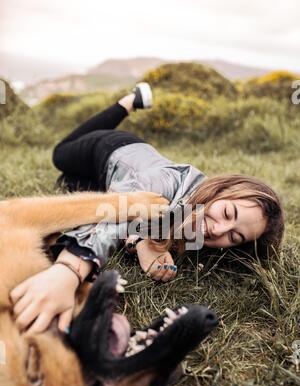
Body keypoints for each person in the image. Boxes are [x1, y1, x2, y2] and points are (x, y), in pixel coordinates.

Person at [10, 83, 285, 334]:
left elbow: (146, 231)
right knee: (61, 154)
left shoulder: (203, 231)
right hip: (113, 149)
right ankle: (129, 102)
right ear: (221, 189)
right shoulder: (163, 183)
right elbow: (112, 215)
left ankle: (77, 177)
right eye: (227, 213)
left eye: (234, 237)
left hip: (115, 178)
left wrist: (141, 242)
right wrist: (68, 271)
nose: (218, 229)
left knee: (69, 183)